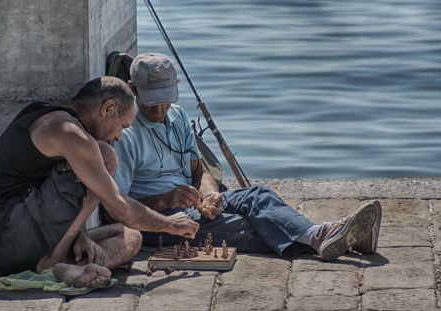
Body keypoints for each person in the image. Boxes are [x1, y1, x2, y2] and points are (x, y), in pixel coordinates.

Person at [114, 53, 382, 261]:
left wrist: (209, 196)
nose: (160, 108)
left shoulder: (178, 116)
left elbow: (200, 171)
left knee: (258, 196)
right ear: (132, 89)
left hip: (194, 207)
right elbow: (118, 206)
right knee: (248, 226)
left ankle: (322, 236)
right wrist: (165, 199)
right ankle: (329, 238)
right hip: (162, 220)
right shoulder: (124, 133)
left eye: (165, 99)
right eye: (151, 100)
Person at [0, 76, 199, 288]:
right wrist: (171, 224)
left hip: (23, 237)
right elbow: (119, 207)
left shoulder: (66, 124)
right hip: (4, 240)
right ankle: (54, 262)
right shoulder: (67, 131)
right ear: (108, 109)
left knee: (131, 237)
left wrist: (79, 233)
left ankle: (72, 268)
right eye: (123, 126)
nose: (119, 136)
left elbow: (42, 189)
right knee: (106, 155)